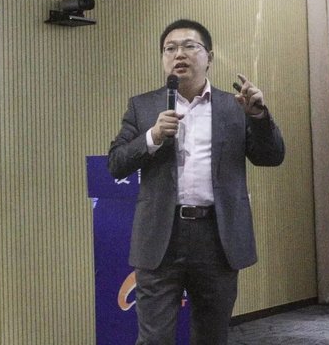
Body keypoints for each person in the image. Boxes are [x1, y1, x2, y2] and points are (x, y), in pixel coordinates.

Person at [108, 19, 285, 344]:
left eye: (190, 46)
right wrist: (152, 136)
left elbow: (271, 156)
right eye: (170, 48)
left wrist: (258, 116)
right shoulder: (143, 106)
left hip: (216, 238)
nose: (179, 54)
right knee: (153, 339)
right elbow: (116, 164)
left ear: (209, 57)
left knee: (211, 336)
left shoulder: (235, 107)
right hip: (161, 238)